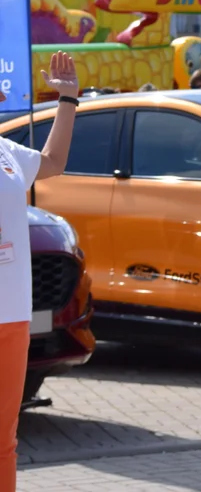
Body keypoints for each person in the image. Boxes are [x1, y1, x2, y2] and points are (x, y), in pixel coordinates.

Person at [0, 52, 79, 492]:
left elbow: (53, 163)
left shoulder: (5, 151)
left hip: (11, 314)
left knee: (4, 440)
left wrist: (67, 100)